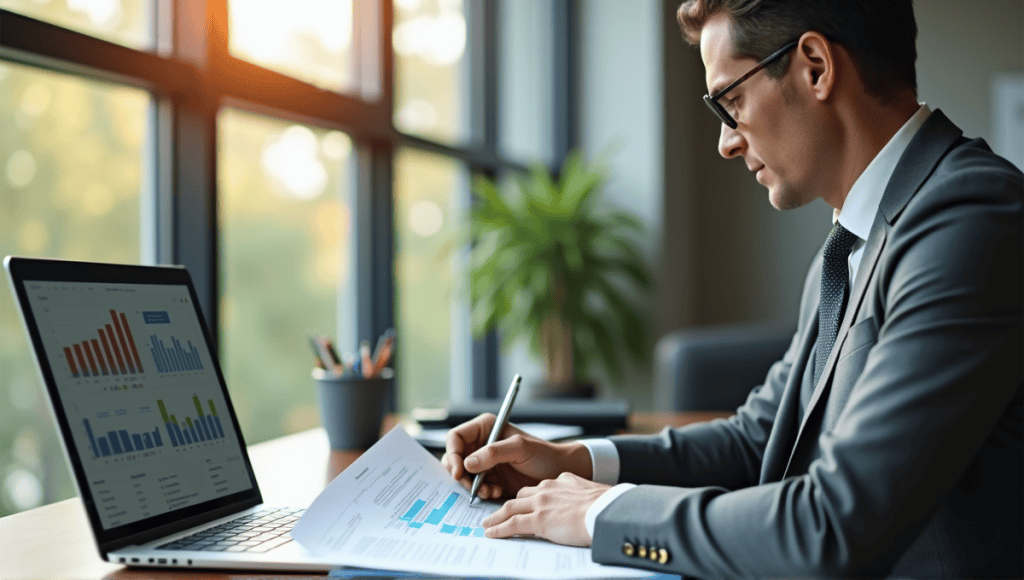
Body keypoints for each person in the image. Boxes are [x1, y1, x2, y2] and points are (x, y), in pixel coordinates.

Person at [442, 0, 1023, 578]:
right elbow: (759, 440)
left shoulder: (969, 220)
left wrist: (602, 512)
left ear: (816, 66)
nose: (727, 141)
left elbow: (835, 525)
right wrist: (575, 461)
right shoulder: (852, 243)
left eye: (732, 101)